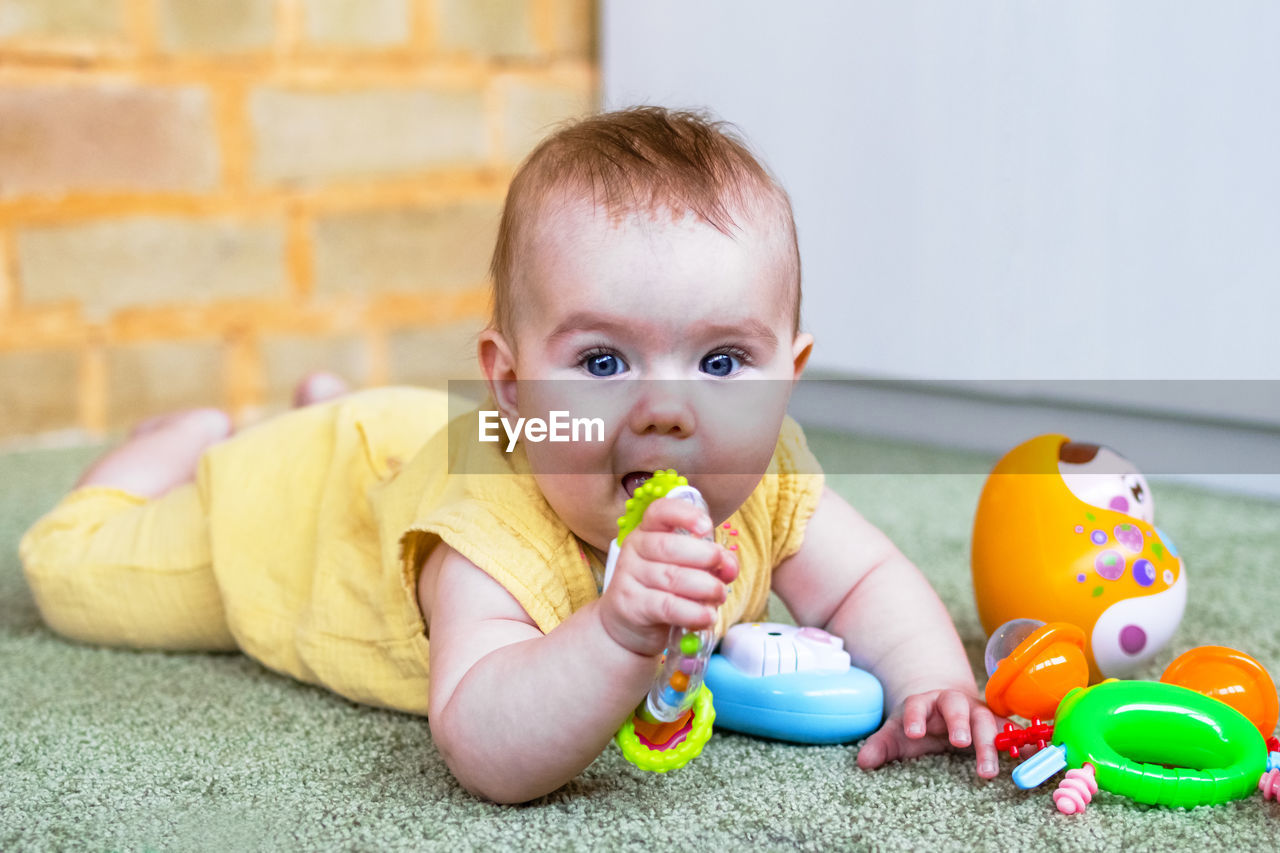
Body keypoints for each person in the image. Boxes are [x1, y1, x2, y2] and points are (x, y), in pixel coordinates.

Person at [20, 107, 1000, 804]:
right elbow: (484, 743)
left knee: (400, 431)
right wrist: (616, 633)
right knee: (74, 576)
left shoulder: (766, 471)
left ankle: (332, 403)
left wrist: (931, 686)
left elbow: (864, 578)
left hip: (417, 436)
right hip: (290, 515)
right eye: (604, 359)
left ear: (786, 374)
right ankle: (181, 446)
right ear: (513, 381)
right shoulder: (491, 530)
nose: (666, 411)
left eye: (720, 359)